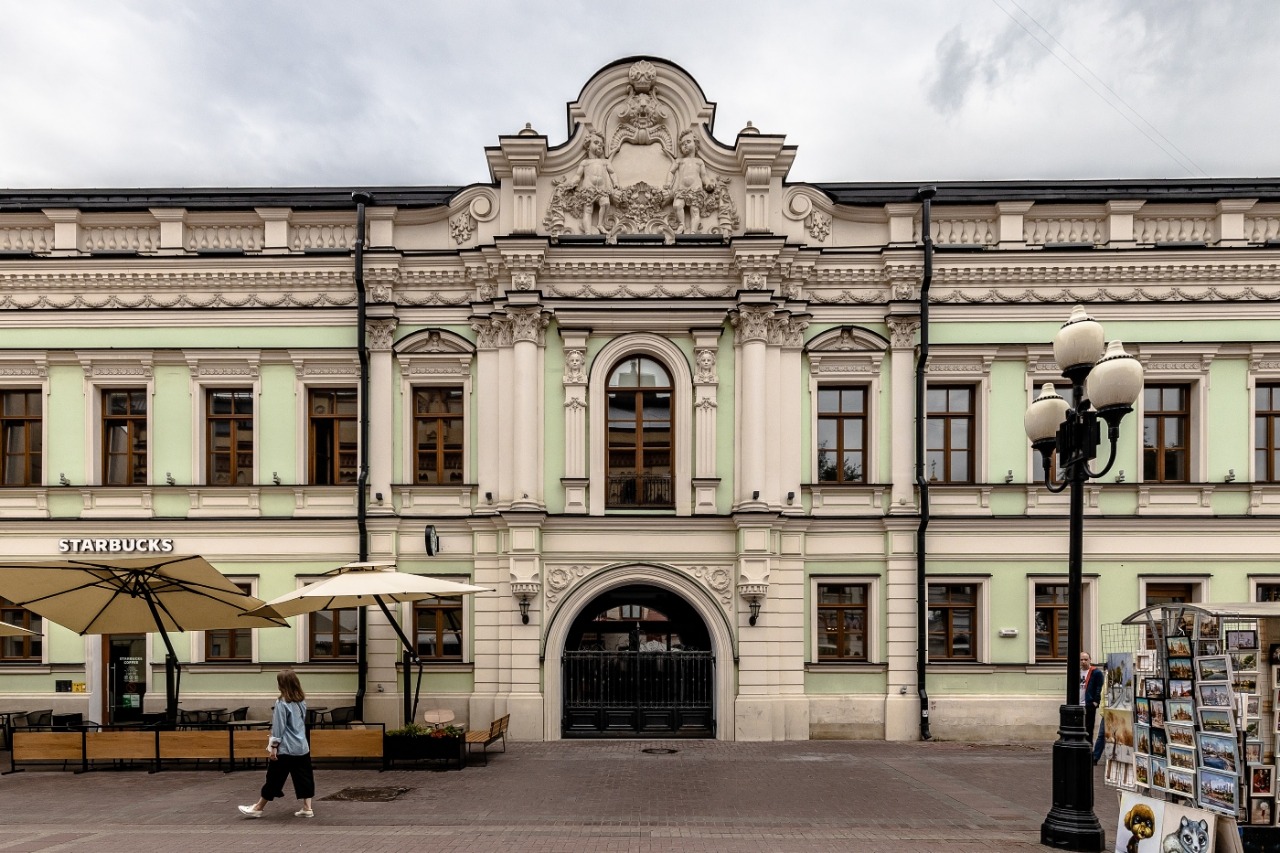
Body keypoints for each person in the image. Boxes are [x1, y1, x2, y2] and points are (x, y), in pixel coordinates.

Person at [239, 670, 315, 819]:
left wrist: (273, 747)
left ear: (282, 684)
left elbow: (279, 728)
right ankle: (307, 808)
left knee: (274, 778)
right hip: (301, 746)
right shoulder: (301, 701)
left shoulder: (282, 703)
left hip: (286, 748)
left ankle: (258, 808)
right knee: (304, 777)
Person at [1080, 652, 1103, 745]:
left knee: (1088, 727)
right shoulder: (1077, 672)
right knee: (1078, 727)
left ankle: (1088, 746)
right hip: (1078, 704)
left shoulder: (1096, 672)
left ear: (1090, 660)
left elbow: (1099, 687)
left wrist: (1096, 701)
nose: (1083, 661)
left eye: (1085, 659)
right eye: (1081, 659)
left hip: (1089, 703)